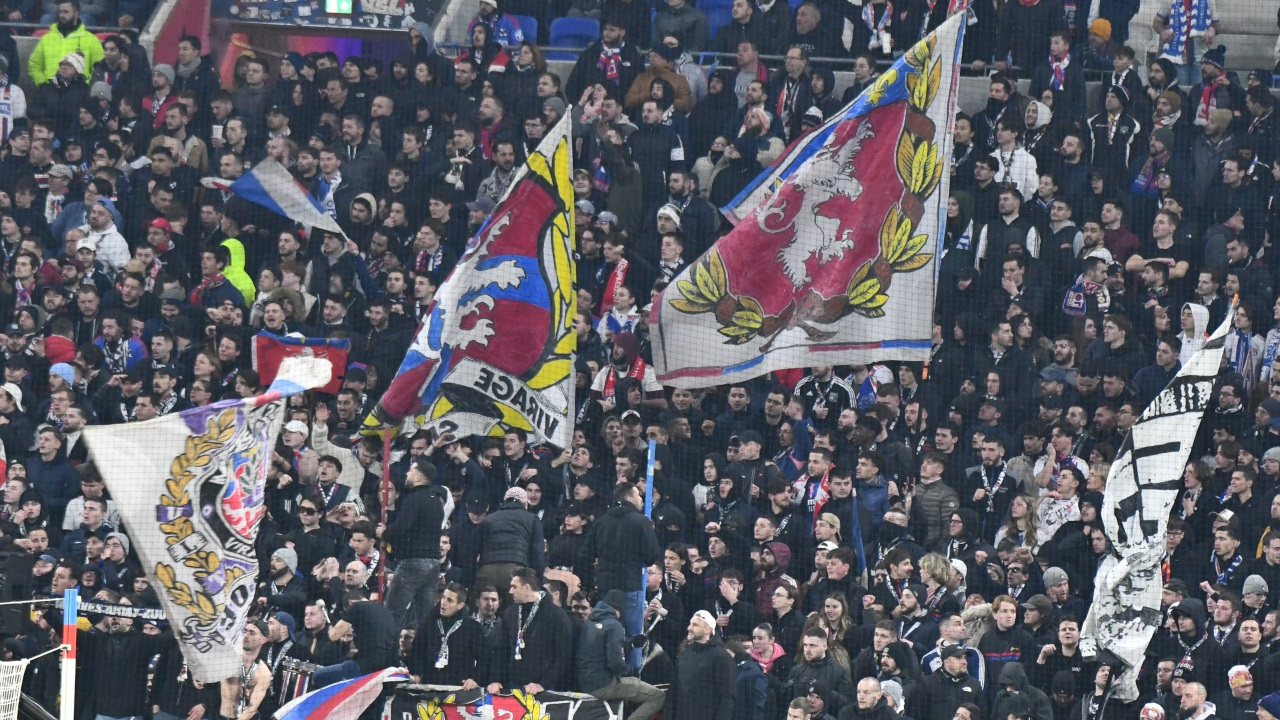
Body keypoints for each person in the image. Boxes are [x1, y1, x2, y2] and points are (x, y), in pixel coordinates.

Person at [577, 588, 666, 720]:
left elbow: (599, 649)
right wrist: (631, 671)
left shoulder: (590, 621)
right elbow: (615, 664)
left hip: (585, 681)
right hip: (603, 685)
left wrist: (630, 644)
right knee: (658, 696)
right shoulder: (614, 625)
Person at [666, 610, 737, 720]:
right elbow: (674, 693)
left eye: (695, 625)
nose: (689, 628)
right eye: (690, 624)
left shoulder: (721, 657)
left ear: (707, 630)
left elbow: (727, 697)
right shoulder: (684, 654)